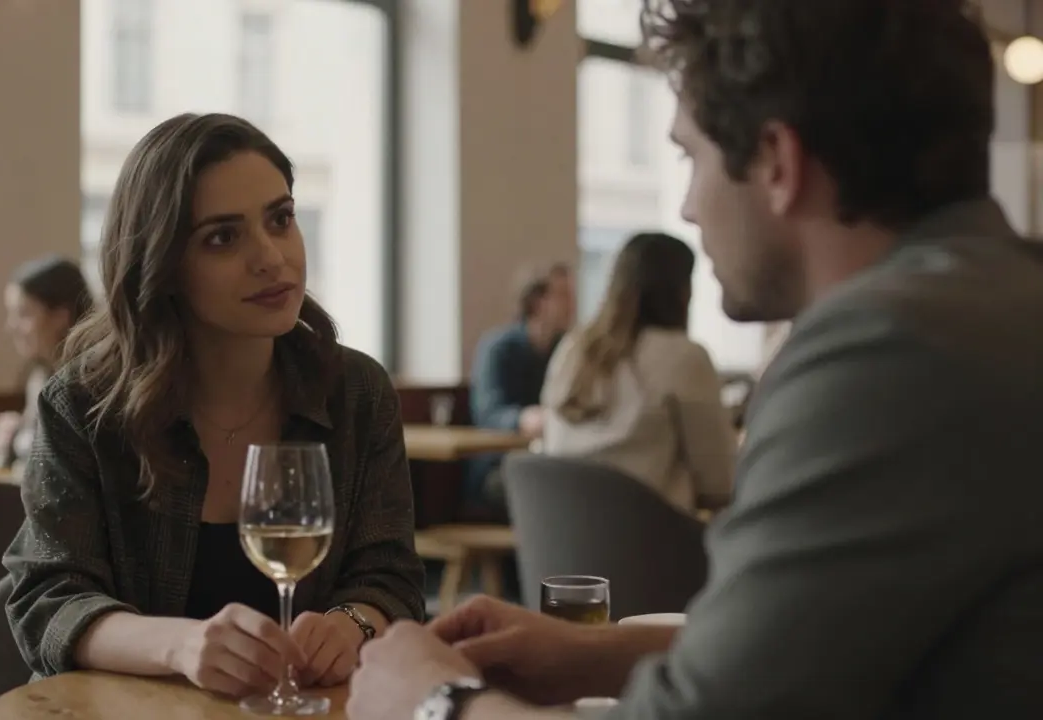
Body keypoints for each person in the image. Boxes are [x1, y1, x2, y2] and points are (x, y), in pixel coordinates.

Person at [346, 0, 1043, 718]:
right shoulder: (992, 307)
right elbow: (833, 650)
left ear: (777, 161)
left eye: (691, 155)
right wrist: (595, 655)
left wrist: (434, 703)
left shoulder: (887, 354)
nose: (687, 206)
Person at [3, 113, 426, 700]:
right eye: (223, 237)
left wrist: (351, 623)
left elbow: (391, 577)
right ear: (163, 265)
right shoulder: (84, 404)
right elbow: (49, 602)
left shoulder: (355, 392)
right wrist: (180, 645)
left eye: (281, 220)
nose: (272, 258)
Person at [540, 232, 734, 514]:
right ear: (683, 291)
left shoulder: (571, 350)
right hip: (648, 546)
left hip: (560, 544)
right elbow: (721, 482)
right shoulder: (683, 357)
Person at [465, 264, 574, 513]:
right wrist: (530, 418)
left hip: (548, 461)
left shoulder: (566, 350)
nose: (572, 304)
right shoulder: (499, 348)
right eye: (563, 295)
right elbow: (489, 414)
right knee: (557, 493)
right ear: (537, 301)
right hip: (498, 468)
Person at [0, 256, 93, 470]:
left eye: (23, 314)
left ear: (60, 316)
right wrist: (16, 432)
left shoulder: (84, 386)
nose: (11, 326)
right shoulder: (39, 376)